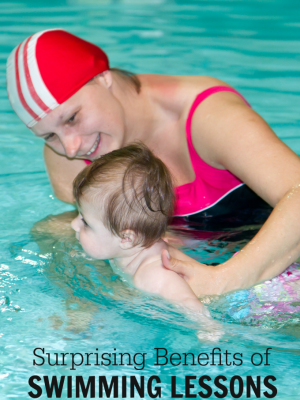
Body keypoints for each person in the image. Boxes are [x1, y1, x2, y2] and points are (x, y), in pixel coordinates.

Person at [7, 29, 300, 296]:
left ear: (103, 78)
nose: (70, 148)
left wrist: (222, 280)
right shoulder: (65, 154)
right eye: (49, 136)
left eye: (72, 118)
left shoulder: (207, 118)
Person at [70, 143, 206, 315]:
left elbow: (189, 303)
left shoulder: (151, 275)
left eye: (86, 223)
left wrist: (208, 328)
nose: (74, 224)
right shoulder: (132, 248)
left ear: (126, 239)